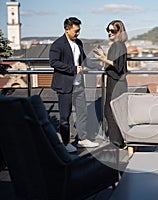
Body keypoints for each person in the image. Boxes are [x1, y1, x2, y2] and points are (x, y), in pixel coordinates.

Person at [49, 17, 99, 153]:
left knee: (82, 113)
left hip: (78, 85)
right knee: (65, 117)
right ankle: (65, 144)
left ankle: (82, 139)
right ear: (67, 29)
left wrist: (101, 64)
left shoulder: (78, 43)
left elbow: (84, 60)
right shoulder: (57, 44)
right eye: (76, 31)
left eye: (79, 31)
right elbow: (53, 62)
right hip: (64, 85)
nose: (78, 34)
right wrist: (73, 69)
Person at [94, 20, 128, 149]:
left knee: (110, 111)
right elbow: (117, 62)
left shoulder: (118, 45)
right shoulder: (119, 45)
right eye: (107, 30)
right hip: (117, 82)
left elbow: (118, 66)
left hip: (115, 82)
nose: (109, 33)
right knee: (114, 111)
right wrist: (105, 56)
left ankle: (117, 142)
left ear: (119, 32)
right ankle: (119, 141)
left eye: (112, 31)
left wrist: (103, 59)